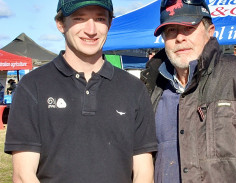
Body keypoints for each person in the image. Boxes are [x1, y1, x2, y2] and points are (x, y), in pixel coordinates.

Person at [5, 0, 157, 182]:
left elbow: (143, 170)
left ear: (109, 24)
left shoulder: (135, 89)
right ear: (60, 24)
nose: (91, 30)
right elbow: (23, 175)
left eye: (100, 19)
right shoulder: (32, 86)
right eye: (79, 18)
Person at [140, 0, 236, 182]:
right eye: (171, 30)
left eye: (188, 28)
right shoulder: (149, 89)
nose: (180, 38)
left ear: (210, 31)